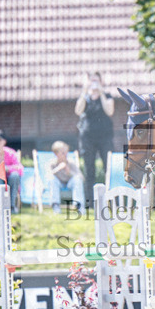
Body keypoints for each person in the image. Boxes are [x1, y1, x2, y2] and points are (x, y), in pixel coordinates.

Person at [75, 72, 115, 210]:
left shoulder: (107, 96)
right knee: (89, 170)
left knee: (108, 169)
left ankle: (110, 202)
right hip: (88, 138)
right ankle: (90, 204)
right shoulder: (85, 97)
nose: (94, 83)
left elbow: (109, 111)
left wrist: (102, 93)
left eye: (96, 80)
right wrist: (84, 92)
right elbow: (78, 111)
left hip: (105, 137)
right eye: (91, 81)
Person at [48, 140, 85, 215]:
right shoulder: (52, 163)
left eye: (66, 152)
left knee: (77, 179)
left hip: (69, 184)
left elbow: (82, 178)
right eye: (63, 153)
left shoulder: (71, 162)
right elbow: (47, 176)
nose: (66, 154)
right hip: (58, 184)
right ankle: (56, 205)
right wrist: (58, 169)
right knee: (52, 179)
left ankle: (79, 206)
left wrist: (69, 172)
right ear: (56, 154)